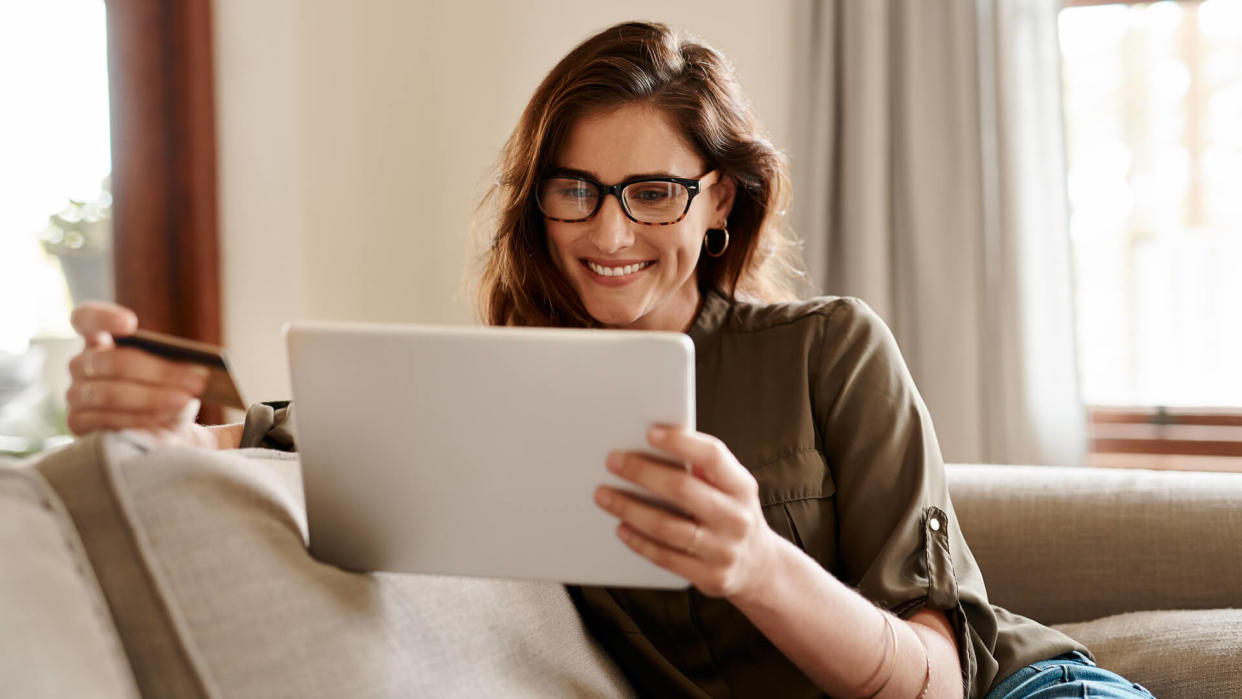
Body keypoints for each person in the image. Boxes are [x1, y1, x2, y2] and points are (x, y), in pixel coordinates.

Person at [65, 21, 1154, 699]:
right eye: (574, 188)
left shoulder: (832, 347)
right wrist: (172, 418)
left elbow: (937, 678)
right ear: (539, 199)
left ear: (718, 199)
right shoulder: (498, 401)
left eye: (654, 192)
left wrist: (756, 565)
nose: (610, 232)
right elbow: (296, 431)